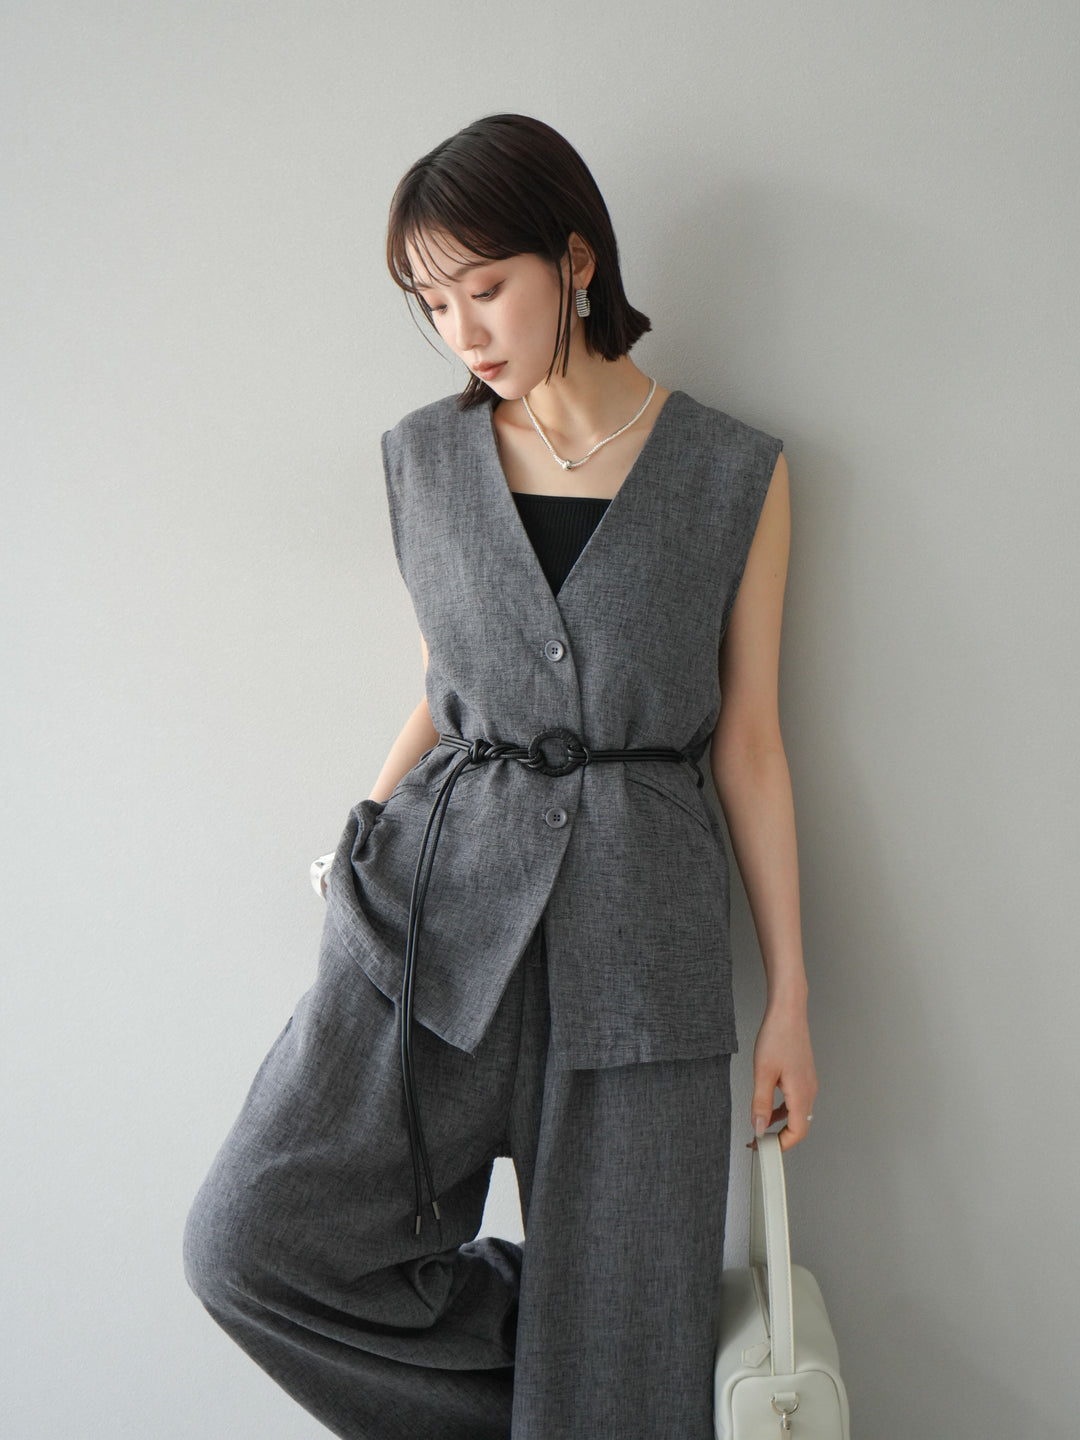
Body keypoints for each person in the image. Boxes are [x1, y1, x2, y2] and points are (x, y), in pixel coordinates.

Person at [184, 113, 817, 1440]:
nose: (462, 329)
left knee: (623, 1343)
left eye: (485, 287)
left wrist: (791, 999)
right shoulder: (424, 463)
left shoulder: (733, 474)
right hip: (437, 916)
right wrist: (358, 836)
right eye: (432, 303)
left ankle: (611, 1373)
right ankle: (584, 1384)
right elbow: (447, 684)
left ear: (574, 261)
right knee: (253, 1244)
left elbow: (752, 743)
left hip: (644, 946)